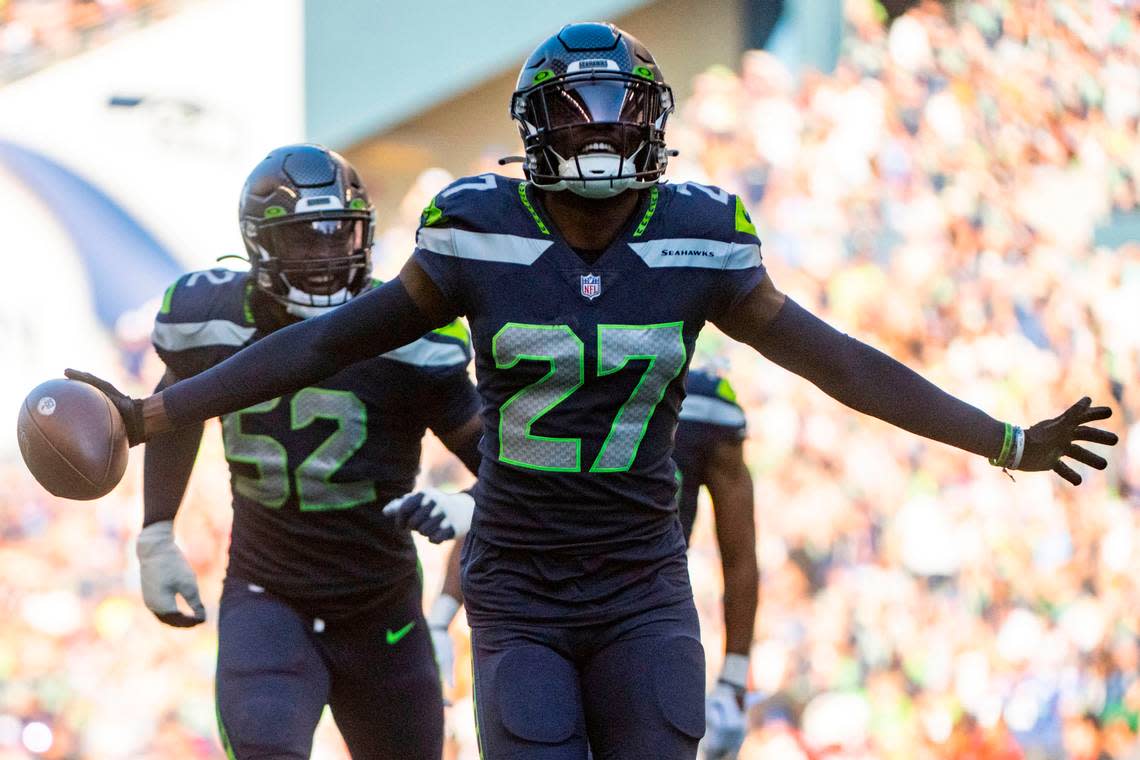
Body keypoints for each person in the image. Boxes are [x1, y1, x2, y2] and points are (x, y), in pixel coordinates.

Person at [64, 23, 1117, 760]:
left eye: (621, 113)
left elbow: (835, 359)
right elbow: (323, 343)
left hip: (639, 585)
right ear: (539, 130)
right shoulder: (478, 227)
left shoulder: (701, 236)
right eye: (580, 117)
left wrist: (1000, 437)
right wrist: (154, 414)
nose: (604, 135)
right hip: (519, 586)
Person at [138, 144, 482, 759]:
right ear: (259, 243)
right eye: (304, 239)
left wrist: (475, 503)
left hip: (382, 605)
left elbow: (504, 459)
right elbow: (174, 411)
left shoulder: (409, 332)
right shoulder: (210, 318)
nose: (327, 257)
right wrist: (156, 531)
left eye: (339, 235)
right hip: (269, 597)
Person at [674, 367, 757, 760]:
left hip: (644, 615)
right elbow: (502, 492)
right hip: (546, 611)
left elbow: (739, 554)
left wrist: (733, 679)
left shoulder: (704, 403)